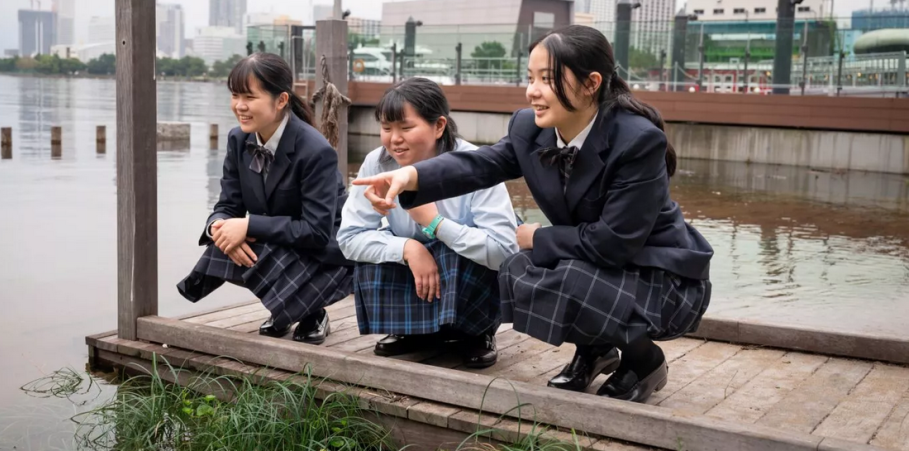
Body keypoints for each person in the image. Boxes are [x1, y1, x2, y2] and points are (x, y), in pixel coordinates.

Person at [353, 26, 712, 403]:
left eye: (547, 79)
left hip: (660, 274)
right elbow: (479, 164)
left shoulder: (637, 139)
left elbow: (614, 243)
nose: (532, 91)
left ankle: (644, 360)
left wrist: (538, 237)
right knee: (518, 269)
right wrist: (410, 176)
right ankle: (595, 349)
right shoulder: (530, 128)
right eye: (530, 78)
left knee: (561, 273)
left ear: (590, 84)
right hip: (592, 262)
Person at [337, 78, 518, 368]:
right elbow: (349, 238)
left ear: (439, 126)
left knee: (456, 252)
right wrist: (407, 249)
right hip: (416, 266)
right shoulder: (377, 163)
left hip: (465, 270)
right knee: (377, 252)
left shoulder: (476, 164)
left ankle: (478, 332)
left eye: (406, 128)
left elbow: (505, 252)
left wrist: (435, 224)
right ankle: (412, 330)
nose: (394, 139)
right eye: (386, 128)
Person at [177, 53, 353, 345]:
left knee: (251, 237)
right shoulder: (238, 140)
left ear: (281, 100)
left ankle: (312, 312)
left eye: (249, 97)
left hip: (326, 254)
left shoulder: (315, 150)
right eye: (235, 95)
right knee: (224, 243)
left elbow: (317, 231)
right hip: (281, 240)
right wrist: (219, 227)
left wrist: (247, 226)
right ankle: (284, 309)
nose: (240, 105)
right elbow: (227, 205)